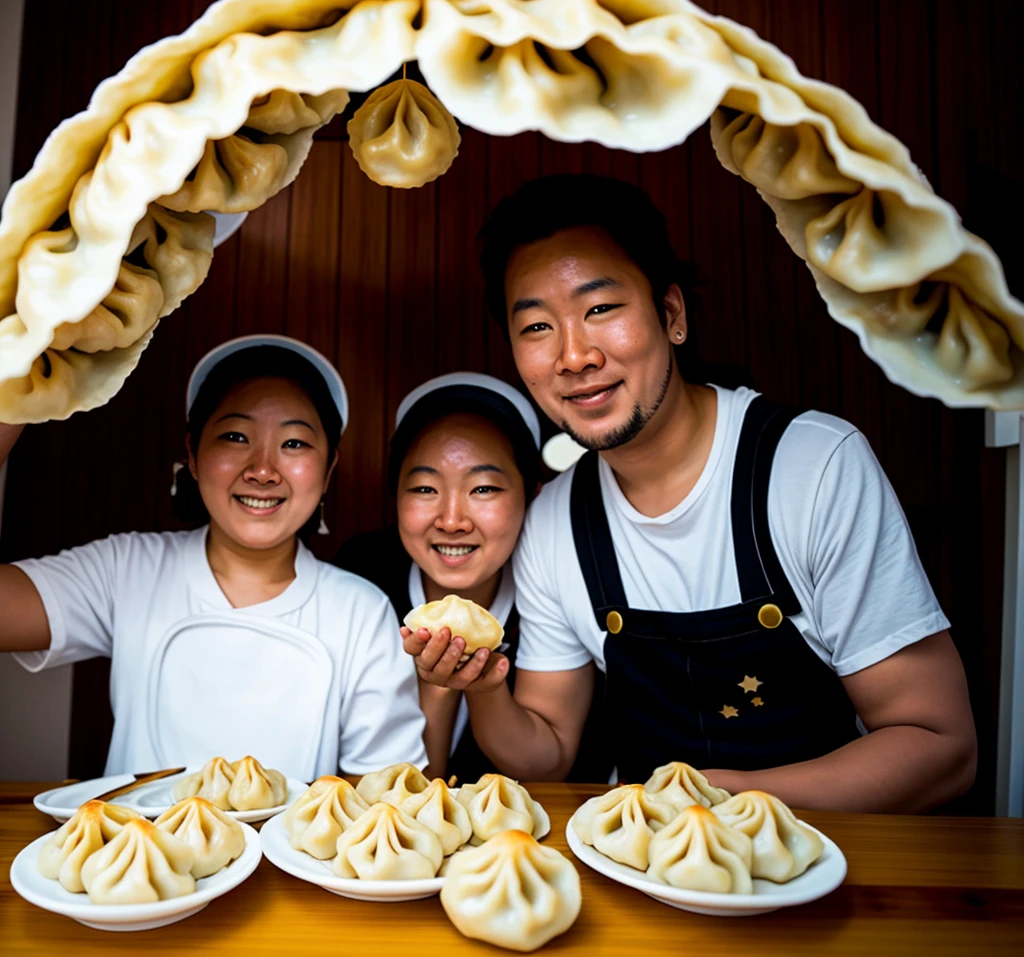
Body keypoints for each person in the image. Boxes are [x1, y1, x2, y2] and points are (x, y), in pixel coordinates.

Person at [403, 174, 978, 813]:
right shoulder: (554, 521)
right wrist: (483, 687)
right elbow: (549, 753)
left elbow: (940, 747)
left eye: (601, 309)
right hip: (645, 876)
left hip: (826, 875)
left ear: (671, 315)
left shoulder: (813, 466)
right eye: (537, 327)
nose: (573, 355)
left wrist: (710, 801)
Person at [0, 334, 427, 780]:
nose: (262, 470)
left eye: (295, 444)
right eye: (235, 436)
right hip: (137, 850)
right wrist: (17, 381)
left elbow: (384, 789)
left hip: (283, 854)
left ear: (328, 471)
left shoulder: (361, 611)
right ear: (194, 455)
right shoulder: (127, 570)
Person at [335, 372, 609, 782]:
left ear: (533, 494)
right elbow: (397, 795)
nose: (451, 520)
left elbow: (548, 769)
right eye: (425, 489)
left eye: (483, 489)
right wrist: (440, 688)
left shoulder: (559, 582)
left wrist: (483, 685)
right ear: (394, 495)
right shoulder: (361, 577)